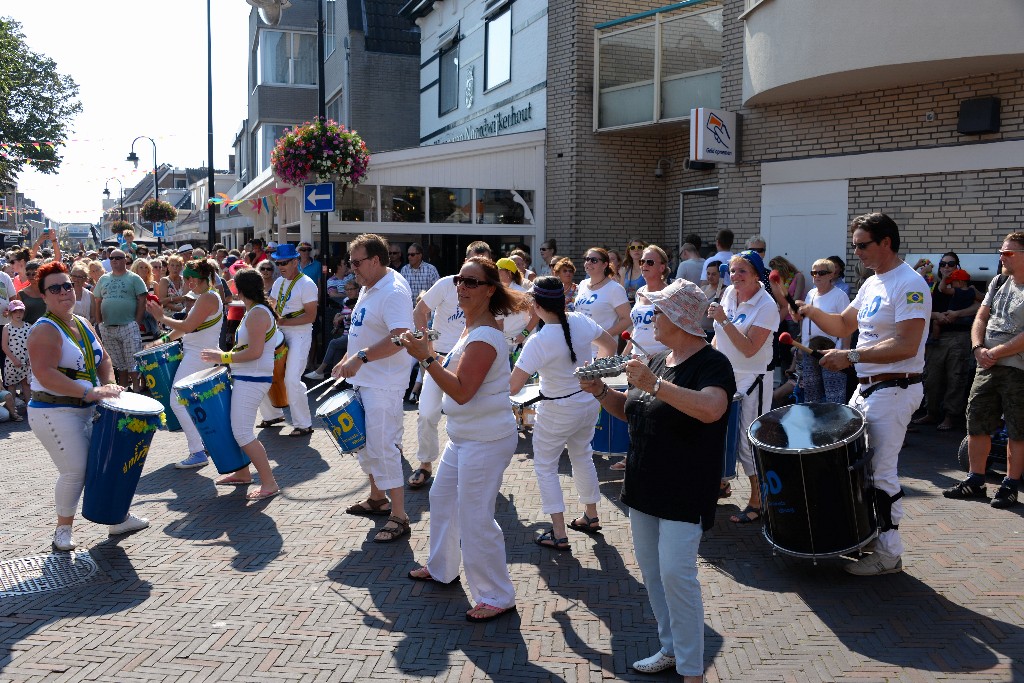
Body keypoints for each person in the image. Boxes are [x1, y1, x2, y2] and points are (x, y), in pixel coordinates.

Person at [578, 279, 734, 682]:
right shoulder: (662, 359)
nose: (650, 317)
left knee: (677, 576)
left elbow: (713, 409)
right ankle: (670, 647)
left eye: (658, 312)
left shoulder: (712, 364)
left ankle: (692, 669)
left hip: (684, 490)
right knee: (652, 573)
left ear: (680, 319)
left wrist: (655, 385)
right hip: (644, 486)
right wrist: (599, 392)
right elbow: (633, 411)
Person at [799, 212, 930, 575]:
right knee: (857, 469)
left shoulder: (910, 283)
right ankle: (869, 535)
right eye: (854, 245)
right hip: (868, 388)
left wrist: (851, 355)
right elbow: (843, 324)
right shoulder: (873, 283)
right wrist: (810, 309)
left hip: (894, 389)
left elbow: (907, 343)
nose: (855, 251)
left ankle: (890, 553)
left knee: (882, 472)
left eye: (862, 245)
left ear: (885, 242)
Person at [402, 257, 525, 623]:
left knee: (476, 518)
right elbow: (457, 373)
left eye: (472, 282)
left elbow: (461, 391)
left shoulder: (485, 335)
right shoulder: (471, 329)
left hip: (485, 440)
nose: (462, 287)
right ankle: (442, 568)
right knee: (441, 500)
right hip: (465, 437)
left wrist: (425, 359)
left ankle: (496, 594)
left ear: (490, 289)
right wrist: (432, 354)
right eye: (459, 279)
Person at [27, 261, 149, 551]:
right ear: (43, 295)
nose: (63, 292)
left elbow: (104, 358)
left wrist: (110, 386)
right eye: (54, 288)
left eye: (67, 285)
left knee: (111, 463)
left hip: (89, 407)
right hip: (53, 411)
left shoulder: (81, 322)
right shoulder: (44, 330)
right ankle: (62, 530)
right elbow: (46, 375)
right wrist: (92, 391)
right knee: (76, 470)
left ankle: (117, 517)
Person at [511, 276, 616, 550]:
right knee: (582, 456)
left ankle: (559, 532)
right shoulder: (579, 321)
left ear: (535, 304)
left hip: (557, 409)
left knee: (546, 466)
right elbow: (610, 346)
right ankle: (591, 516)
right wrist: (593, 372)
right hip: (588, 402)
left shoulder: (539, 340)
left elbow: (512, 386)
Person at [331, 233, 414, 543]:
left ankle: (400, 515)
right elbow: (362, 329)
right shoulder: (369, 286)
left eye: (356, 262)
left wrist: (361, 357)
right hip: (366, 380)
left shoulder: (392, 291)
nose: (352, 269)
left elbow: (401, 336)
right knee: (365, 443)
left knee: (384, 446)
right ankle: (378, 498)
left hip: (384, 384)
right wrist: (348, 356)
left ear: (376, 260)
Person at [943, 232, 1024, 509]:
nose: (1002, 256)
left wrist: (995, 353)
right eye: (1001, 251)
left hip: (1017, 368)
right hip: (986, 365)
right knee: (976, 422)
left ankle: (1010, 485)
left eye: (1009, 252)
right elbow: (981, 315)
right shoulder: (999, 281)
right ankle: (975, 480)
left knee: (1017, 429)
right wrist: (978, 347)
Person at [404, 242, 486, 489]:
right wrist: (426, 346)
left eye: (482, 264)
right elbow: (420, 310)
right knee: (427, 413)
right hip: (437, 358)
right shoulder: (447, 284)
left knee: (473, 416)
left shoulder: (491, 291)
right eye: (472, 262)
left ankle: (474, 465)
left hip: (470, 359)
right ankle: (426, 463)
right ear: (464, 261)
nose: (475, 270)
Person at [196, 268, 282, 499]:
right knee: (237, 429)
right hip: (247, 377)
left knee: (243, 433)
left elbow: (254, 352)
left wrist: (222, 357)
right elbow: (247, 349)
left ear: (241, 290)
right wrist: (224, 358)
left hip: (252, 379)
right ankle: (243, 473)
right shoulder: (253, 311)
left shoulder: (257, 314)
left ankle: (269, 483)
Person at [708, 250, 779, 522]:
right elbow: (719, 337)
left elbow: (749, 349)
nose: (734, 277)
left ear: (756, 276)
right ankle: (722, 483)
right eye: (732, 271)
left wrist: (724, 320)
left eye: (742, 271)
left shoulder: (766, 305)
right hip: (726, 375)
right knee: (721, 433)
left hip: (753, 378)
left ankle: (758, 499)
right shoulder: (729, 295)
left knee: (750, 441)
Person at [146, 259, 223, 469]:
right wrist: (162, 341)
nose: (186, 283)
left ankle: (197, 451)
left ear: (195, 279)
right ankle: (203, 444)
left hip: (198, 356)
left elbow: (188, 326)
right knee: (190, 403)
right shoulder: (204, 297)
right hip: (198, 355)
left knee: (177, 402)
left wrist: (161, 317)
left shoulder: (207, 297)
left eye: (188, 279)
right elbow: (187, 328)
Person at [256, 244, 318, 437]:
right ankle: (272, 415)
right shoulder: (278, 283)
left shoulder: (307, 284)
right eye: (278, 262)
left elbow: (311, 317)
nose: (280, 266)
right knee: (261, 372)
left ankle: (303, 423)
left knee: (292, 379)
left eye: (284, 262)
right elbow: (272, 305)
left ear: (295, 261)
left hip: (299, 334)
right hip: (280, 333)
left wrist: (282, 320)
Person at [915, 259, 979, 430]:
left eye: (951, 264)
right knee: (931, 378)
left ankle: (951, 415)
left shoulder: (966, 289)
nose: (946, 267)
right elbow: (916, 305)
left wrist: (957, 313)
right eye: (943, 264)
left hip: (958, 336)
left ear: (958, 267)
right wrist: (936, 315)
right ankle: (931, 412)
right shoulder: (931, 285)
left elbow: (982, 304)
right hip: (935, 337)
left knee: (955, 377)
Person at [791, 258, 851, 404]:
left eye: (821, 273)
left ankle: (836, 425)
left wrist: (845, 351)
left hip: (831, 351)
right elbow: (804, 320)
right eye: (814, 272)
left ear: (832, 275)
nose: (816, 276)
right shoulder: (810, 294)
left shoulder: (840, 296)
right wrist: (802, 343)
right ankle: (815, 425)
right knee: (811, 394)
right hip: (809, 350)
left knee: (834, 395)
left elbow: (847, 325)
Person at [93, 249, 148, 392]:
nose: (115, 260)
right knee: (119, 364)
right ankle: (123, 390)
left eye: (118, 258)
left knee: (133, 361)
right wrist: (99, 323)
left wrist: (136, 322)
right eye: (112, 258)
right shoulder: (103, 279)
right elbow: (98, 300)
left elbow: (142, 301)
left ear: (125, 260)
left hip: (128, 325)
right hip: (107, 326)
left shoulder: (134, 278)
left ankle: (136, 390)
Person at [574, 247, 631, 347]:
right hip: (580, 347)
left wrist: (602, 336)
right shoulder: (582, 284)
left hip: (602, 350)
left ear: (605, 264)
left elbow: (627, 319)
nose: (589, 263)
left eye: (594, 260)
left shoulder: (614, 288)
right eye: (587, 259)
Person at [304, 280, 359, 380]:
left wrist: (343, 317)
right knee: (337, 350)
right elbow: (343, 313)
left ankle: (320, 370)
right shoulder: (345, 300)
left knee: (334, 343)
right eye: (347, 289)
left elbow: (356, 315)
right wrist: (337, 316)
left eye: (352, 289)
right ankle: (336, 379)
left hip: (356, 335)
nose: (349, 291)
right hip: (345, 333)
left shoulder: (360, 300)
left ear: (357, 290)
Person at [3, 299, 31, 414]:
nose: (18, 314)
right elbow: (4, 346)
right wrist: (14, 359)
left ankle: (30, 408)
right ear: (10, 313)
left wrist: (30, 358)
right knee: (12, 385)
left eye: (20, 311)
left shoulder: (28, 326)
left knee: (26, 384)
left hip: (25, 361)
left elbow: (31, 344)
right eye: (15, 312)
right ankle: (12, 409)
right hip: (11, 361)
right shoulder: (7, 327)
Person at [16, 260, 47, 324]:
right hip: (28, 331)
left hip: (47, 328)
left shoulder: (48, 290)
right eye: (28, 274)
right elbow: (18, 315)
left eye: (34, 274)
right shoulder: (21, 294)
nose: (31, 276)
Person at [620, 238, 647, 302]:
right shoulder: (625, 269)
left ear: (644, 250)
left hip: (643, 306)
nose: (636, 250)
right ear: (629, 251)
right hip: (627, 307)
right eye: (633, 248)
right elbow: (620, 292)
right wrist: (622, 276)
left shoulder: (648, 268)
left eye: (639, 247)